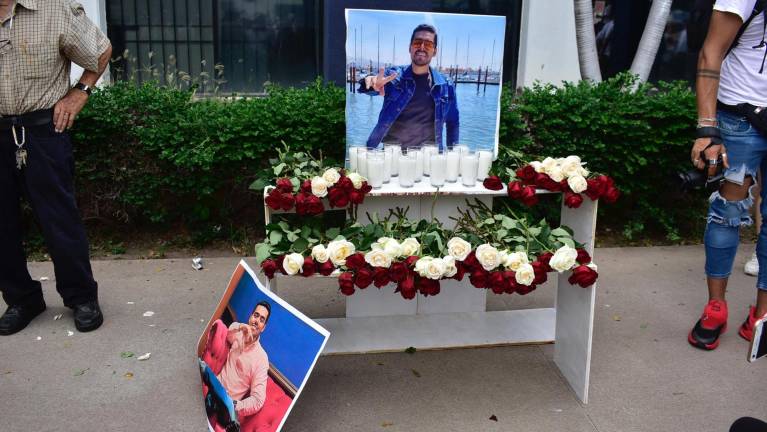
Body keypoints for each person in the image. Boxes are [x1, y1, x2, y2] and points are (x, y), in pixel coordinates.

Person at [0, 0, 112, 335]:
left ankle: (81, 297)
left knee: (59, 221)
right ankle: (22, 299)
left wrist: (80, 93)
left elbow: (100, 51)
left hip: (43, 133)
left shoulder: (52, 8)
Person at [688, 0, 767, 350]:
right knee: (727, 214)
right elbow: (711, 51)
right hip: (740, 117)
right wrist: (707, 128)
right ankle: (715, 307)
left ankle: (762, 316)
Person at [360, 24, 459, 151]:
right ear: (410, 47)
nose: (422, 47)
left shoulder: (446, 85)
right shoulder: (395, 76)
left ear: (435, 51)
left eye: (428, 44)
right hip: (393, 155)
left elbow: (453, 123)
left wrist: (454, 156)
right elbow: (375, 82)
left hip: (428, 158)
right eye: (417, 43)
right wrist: (371, 83)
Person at [201, 301, 271, 428]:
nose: (256, 321)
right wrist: (240, 327)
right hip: (214, 392)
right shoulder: (238, 332)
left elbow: (258, 400)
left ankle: (207, 375)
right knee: (212, 399)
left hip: (228, 407)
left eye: (262, 319)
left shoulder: (261, 359)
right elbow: (227, 335)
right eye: (255, 315)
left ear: (264, 327)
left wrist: (236, 405)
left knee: (216, 396)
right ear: (250, 317)